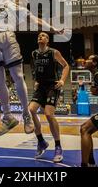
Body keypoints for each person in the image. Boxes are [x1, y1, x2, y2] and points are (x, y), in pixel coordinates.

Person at [0, 0, 64, 136]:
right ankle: (8, 117)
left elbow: (39, 22)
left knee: (17, 76)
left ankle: (26, 116)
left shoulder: (21, 10)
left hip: (7, 37)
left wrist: (54, 30)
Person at [29, 32, 69, 163]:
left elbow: (66, 66)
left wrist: (62, 80)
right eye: (39, 36)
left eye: (44, 36)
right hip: (41, 86)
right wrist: (36, 80)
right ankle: (41, 142)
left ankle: (58, 147)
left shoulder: (53, 52)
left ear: (47, 40)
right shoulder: (34, 54)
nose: (40, 37)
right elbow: (36, 69)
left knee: (48, 114)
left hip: (52, 85)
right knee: (31, 110)